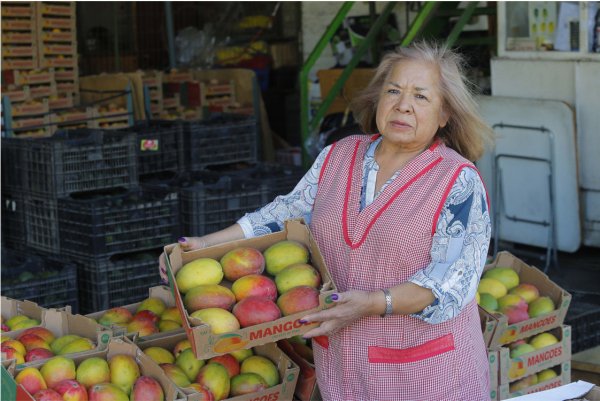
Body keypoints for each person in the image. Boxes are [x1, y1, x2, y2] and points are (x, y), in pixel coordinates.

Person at [159, 40, 494, 400]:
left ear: (445, 114)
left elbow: (449, 284)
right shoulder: (340, 155)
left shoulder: (457, 181)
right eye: (393, 90)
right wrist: (204, 246)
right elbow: (283, 213)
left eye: (421, 97)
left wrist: (371, 302)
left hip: (426, 375)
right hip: (343, 369)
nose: (403, 105)